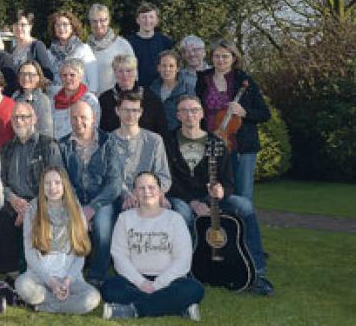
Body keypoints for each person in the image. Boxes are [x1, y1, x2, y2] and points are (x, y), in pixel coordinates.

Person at [164, 95, 274, 296]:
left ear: (202, 113)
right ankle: (186, 269)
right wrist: (193, 202)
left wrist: (221, 192)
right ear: (178, 115)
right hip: (181, 197)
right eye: (185, 111)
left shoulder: (217, 142)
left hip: (211, 196)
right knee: (184, 214)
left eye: (194, 110)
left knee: (244, 206)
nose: (190, 115)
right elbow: (167, 180)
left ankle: (256, 269)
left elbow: (229, 182)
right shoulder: (167, 142)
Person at [102, 172, 204, 320]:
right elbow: (119, 256)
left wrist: (158, 285)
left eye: (151, 187)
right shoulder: (124, 219)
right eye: (141, 188)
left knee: (194, 289)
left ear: (160, 191)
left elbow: (183, 259)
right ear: (134, 193)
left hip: (170, 280)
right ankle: (176, 307)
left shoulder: (175, 219)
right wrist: (142, 283)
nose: (147, 192)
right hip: (134, 279)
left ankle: (133, 310)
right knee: (110, 288)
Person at [14, 166, 101, 315]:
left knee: (92, 298)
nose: (52, 187)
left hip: (68, 276)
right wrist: (51, 283)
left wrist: (67, 282)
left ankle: (43, 306)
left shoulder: (75, 208)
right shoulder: (33, 209)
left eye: (57, 182)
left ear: (64, 185)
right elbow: (29, 253)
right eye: (47, 183)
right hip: (40, 276)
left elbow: (80, 254)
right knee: (22, 285)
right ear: (42, 186)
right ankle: (61, 304)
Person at [195, 39, 271, 201]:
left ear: (234, 58)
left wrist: (244, 112)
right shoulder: (202, 79)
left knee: (243, 196)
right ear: (211, 57)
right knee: (213, 193)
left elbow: (265, 113)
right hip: (211, 144)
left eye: (225, 56)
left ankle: (244, 227)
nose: (220, 60)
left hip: (241, 145)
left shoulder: (245, 80)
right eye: (216, 56)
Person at [0, 102, 62, 276]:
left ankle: (39, 271)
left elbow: (55, 182)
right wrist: (13, 199)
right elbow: (0, 181)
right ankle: (12, 274)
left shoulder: (48, 145)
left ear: (34, 119)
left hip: (42, 201)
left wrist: (30, 207)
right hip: (14, 201)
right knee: (2, 219)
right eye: (15, 117)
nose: (19, 121)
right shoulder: (7, 148)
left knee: (39, 221)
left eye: (24, 117)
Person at [58, 101, 120, 286]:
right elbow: (62, 181)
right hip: (72, 200)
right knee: (64, 224)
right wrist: (77, 208)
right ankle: (66, 274)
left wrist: (92, 209)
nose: (78, 122)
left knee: (102, 228)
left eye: (83, 117)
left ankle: (96, 277)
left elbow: (115, 183)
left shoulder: (108, 142)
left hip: (102, 200)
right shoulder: (62, 145)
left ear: (94, 118)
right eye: (74, 118)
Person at [108, 92, 172, 212]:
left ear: (141, 112)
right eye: (126, 110)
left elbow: (163, 176)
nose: (130, 115)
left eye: (135, 110)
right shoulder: (108, 141)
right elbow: (110, 177)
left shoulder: (155, 140)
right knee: (103, 224)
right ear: (117, 111)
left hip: (149, 195)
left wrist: (150, 192)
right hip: (116, 198)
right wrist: (127, 194)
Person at [97, 54, 169, 137]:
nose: (125, 75)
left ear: (136, 72)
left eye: (128, 71)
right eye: (120, 71)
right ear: (114, 73)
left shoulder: (151, 98)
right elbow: (101, 132)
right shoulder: (105, 99)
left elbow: (162, 130)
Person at [87, 3, 135, 95]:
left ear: (108, 20)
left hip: (116, 99)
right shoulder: (85, 48)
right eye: (94, 21)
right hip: (91, 101)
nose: (98, 24)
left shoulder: (122, 45)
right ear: (90, 22)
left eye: (102, 20)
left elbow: (133, 74)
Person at [125, 3, 174, 89]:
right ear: (137, 20)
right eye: (144, 17)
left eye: (151, 17)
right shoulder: (128, 43)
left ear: (156, 21)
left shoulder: (165, 42)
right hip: (137, 90)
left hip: (161, 89)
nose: (147, 21)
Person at [47, 10, 98, 91]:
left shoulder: (83, 49)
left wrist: (91, 96)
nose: (61, 28)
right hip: (56, 98)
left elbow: (93, 78)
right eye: (57, 25)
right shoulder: (49, 53)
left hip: (79, 98)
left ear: (72, 27)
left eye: (65, 24)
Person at [51, 59, 101, 139]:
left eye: (72, 75)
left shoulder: (90, 100)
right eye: (64, 75)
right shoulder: (54, 100)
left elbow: (94, 126)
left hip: (81, 145)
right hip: (57, 146)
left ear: (80, 77)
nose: (68, 78)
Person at [150, 50, 196, 132]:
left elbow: (193, 116)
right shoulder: (152, 89)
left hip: (179, 135)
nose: (167, 69)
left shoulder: (187, 89)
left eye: (171, 66)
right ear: (158, 68)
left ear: (177, 68)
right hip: (156, 135)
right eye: (164, 65)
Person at [9, 10, 56, 81]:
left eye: (23, 25)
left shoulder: (37, 46)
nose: (19, 28)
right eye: (16, 24)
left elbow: (48, 74)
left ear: (30, 26)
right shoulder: (12, 50)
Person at [12, 60, 55, 138]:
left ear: (38, 78)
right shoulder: (15, 97)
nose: (26, 77)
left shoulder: (42, 100)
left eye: (30, 74)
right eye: (22, 74)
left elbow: (46, 132)